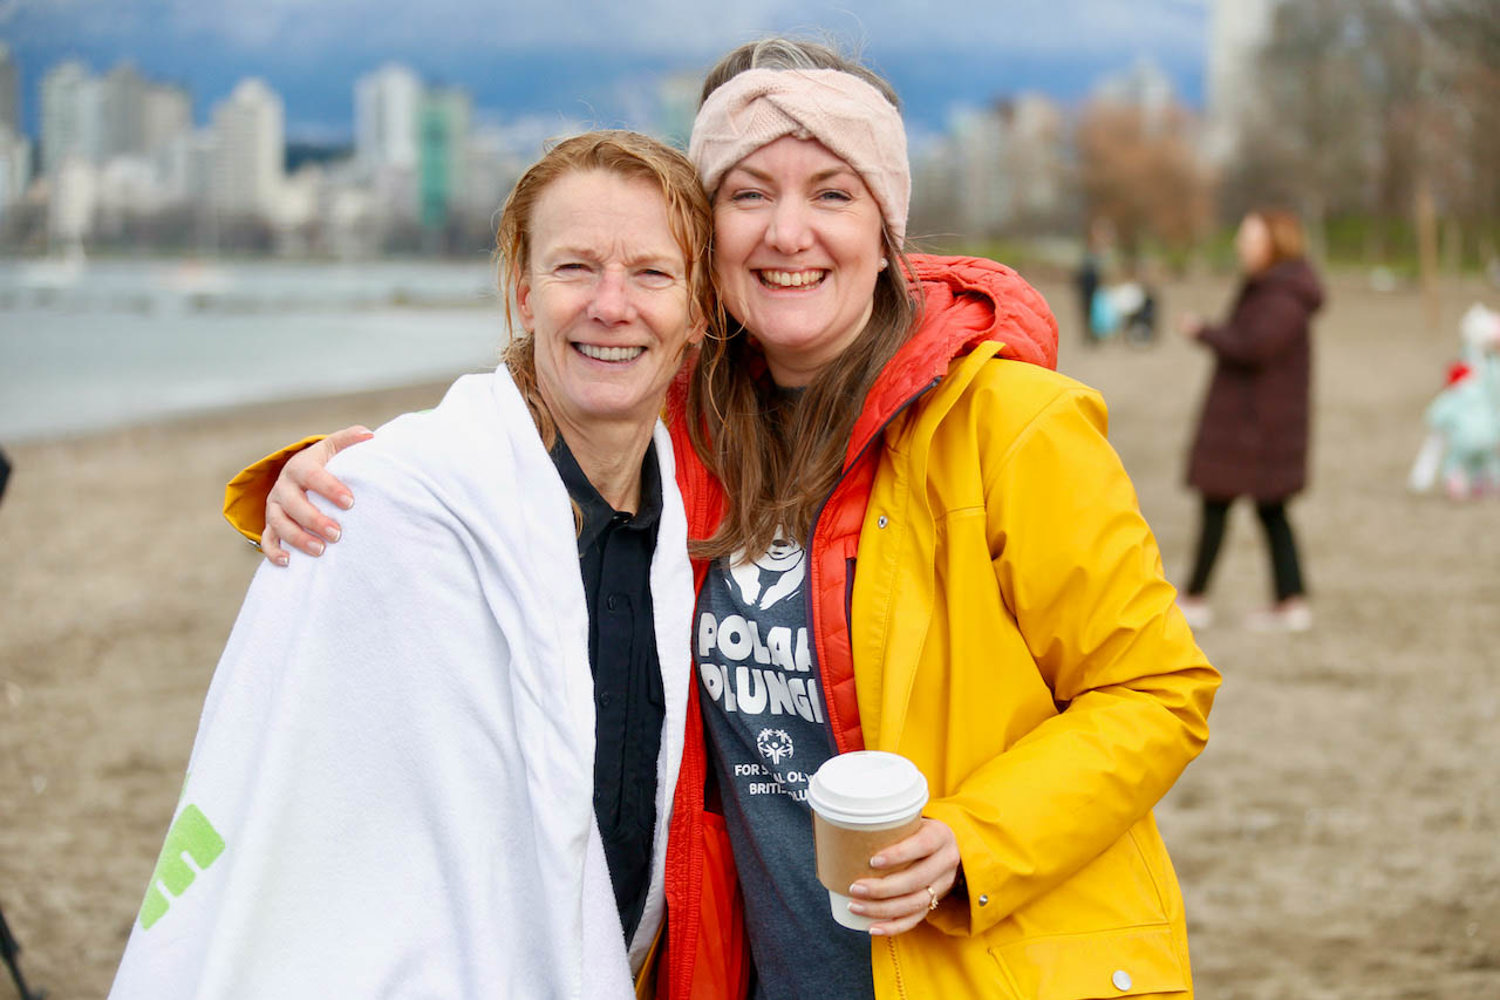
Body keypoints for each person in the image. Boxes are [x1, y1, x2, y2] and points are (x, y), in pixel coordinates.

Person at [231, 40, 1220, 1000]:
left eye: (832, 193)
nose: (788, 233)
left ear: (886, 234)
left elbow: (1155, 689)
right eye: (750, 194)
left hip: (994, 965)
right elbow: (508, 450)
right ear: (710, 249)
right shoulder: (685, 427)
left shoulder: (1009, 426)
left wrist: (977, 837)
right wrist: (311, 478)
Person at [110, 131, 711, 999]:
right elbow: (284, 777)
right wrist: (296, 483)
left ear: (698, 311)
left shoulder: (702, 519)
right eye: (574, 267)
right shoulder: (384, 503)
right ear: (523, 293)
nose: (611, 306)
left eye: (652, 274)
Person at [1177, 209, 1323, 632]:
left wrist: (1203, 332)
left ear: (1273, 244)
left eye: (1250, 238)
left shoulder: (1282, 296)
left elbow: (1254, 346)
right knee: (1266, 509)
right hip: (1256, 420)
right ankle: (1289, 600)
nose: (1242, 246)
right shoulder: (1272, 289)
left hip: (1257, 425)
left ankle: (1198, 597)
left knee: (1222, 503)